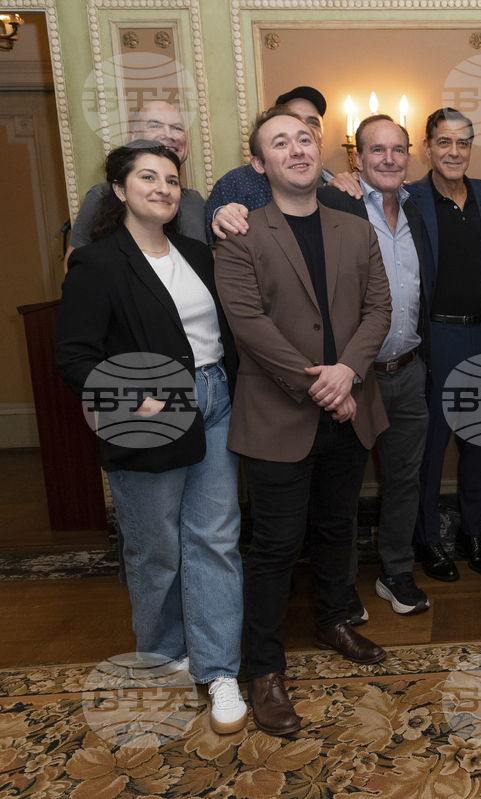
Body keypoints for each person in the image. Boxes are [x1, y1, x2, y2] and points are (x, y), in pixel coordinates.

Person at [54, 142, 246, 734]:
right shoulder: (97, 262)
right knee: (156, 548)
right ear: (118, 189)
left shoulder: (198, 254)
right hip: (148, 415)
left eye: (170, 179)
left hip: (216, 401)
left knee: (215, 540)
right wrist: (132, 397)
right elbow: (73, 355)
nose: (162, 188)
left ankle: (219, 670)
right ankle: (164, 658)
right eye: (147, 177)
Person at [214, 107, 392, 736]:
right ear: (259, 164)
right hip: (278, 414)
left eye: (305, 139)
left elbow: (379, 309)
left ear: (320, 152)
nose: (297, 150)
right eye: (280, 143)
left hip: (350, 408)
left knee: (339, 526)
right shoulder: (240, 234)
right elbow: (248, 325)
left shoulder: (356, 229)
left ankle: (334, 619)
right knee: (275, 545)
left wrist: (348, 373)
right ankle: (263, 668)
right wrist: (323, 383)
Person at [317, 115, 437, 608]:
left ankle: (397, 571)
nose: (389, 159)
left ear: (409, 155)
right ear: (358, 158)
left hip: (407, 371)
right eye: (377, 150)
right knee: (341, 488)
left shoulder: (418, 210)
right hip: (353, 377)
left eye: (398, 149)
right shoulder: (334, 203)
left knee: (405, 480)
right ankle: (340, 587)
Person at [405, 109, 481, 581]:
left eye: (463, 143)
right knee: (432, 446)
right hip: (436, 336)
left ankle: (473, 532)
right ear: (427, 148)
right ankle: (428, 538)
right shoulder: (409, 198)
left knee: (479, 443)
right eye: (444, 142)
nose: (454, 151)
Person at [64, 101, 206, 270]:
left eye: (177, 128)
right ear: (134, 138)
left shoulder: (196, 202)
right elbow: (75, 267)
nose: (168, 135)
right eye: (155, 126)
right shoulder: (102, 195)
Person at [205, 86, 336, 245]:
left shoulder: (336, 184)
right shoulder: (236, 182)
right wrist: (222, 217)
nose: (296, 149)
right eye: (281, 143)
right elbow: (219, 242)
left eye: (312, 123)